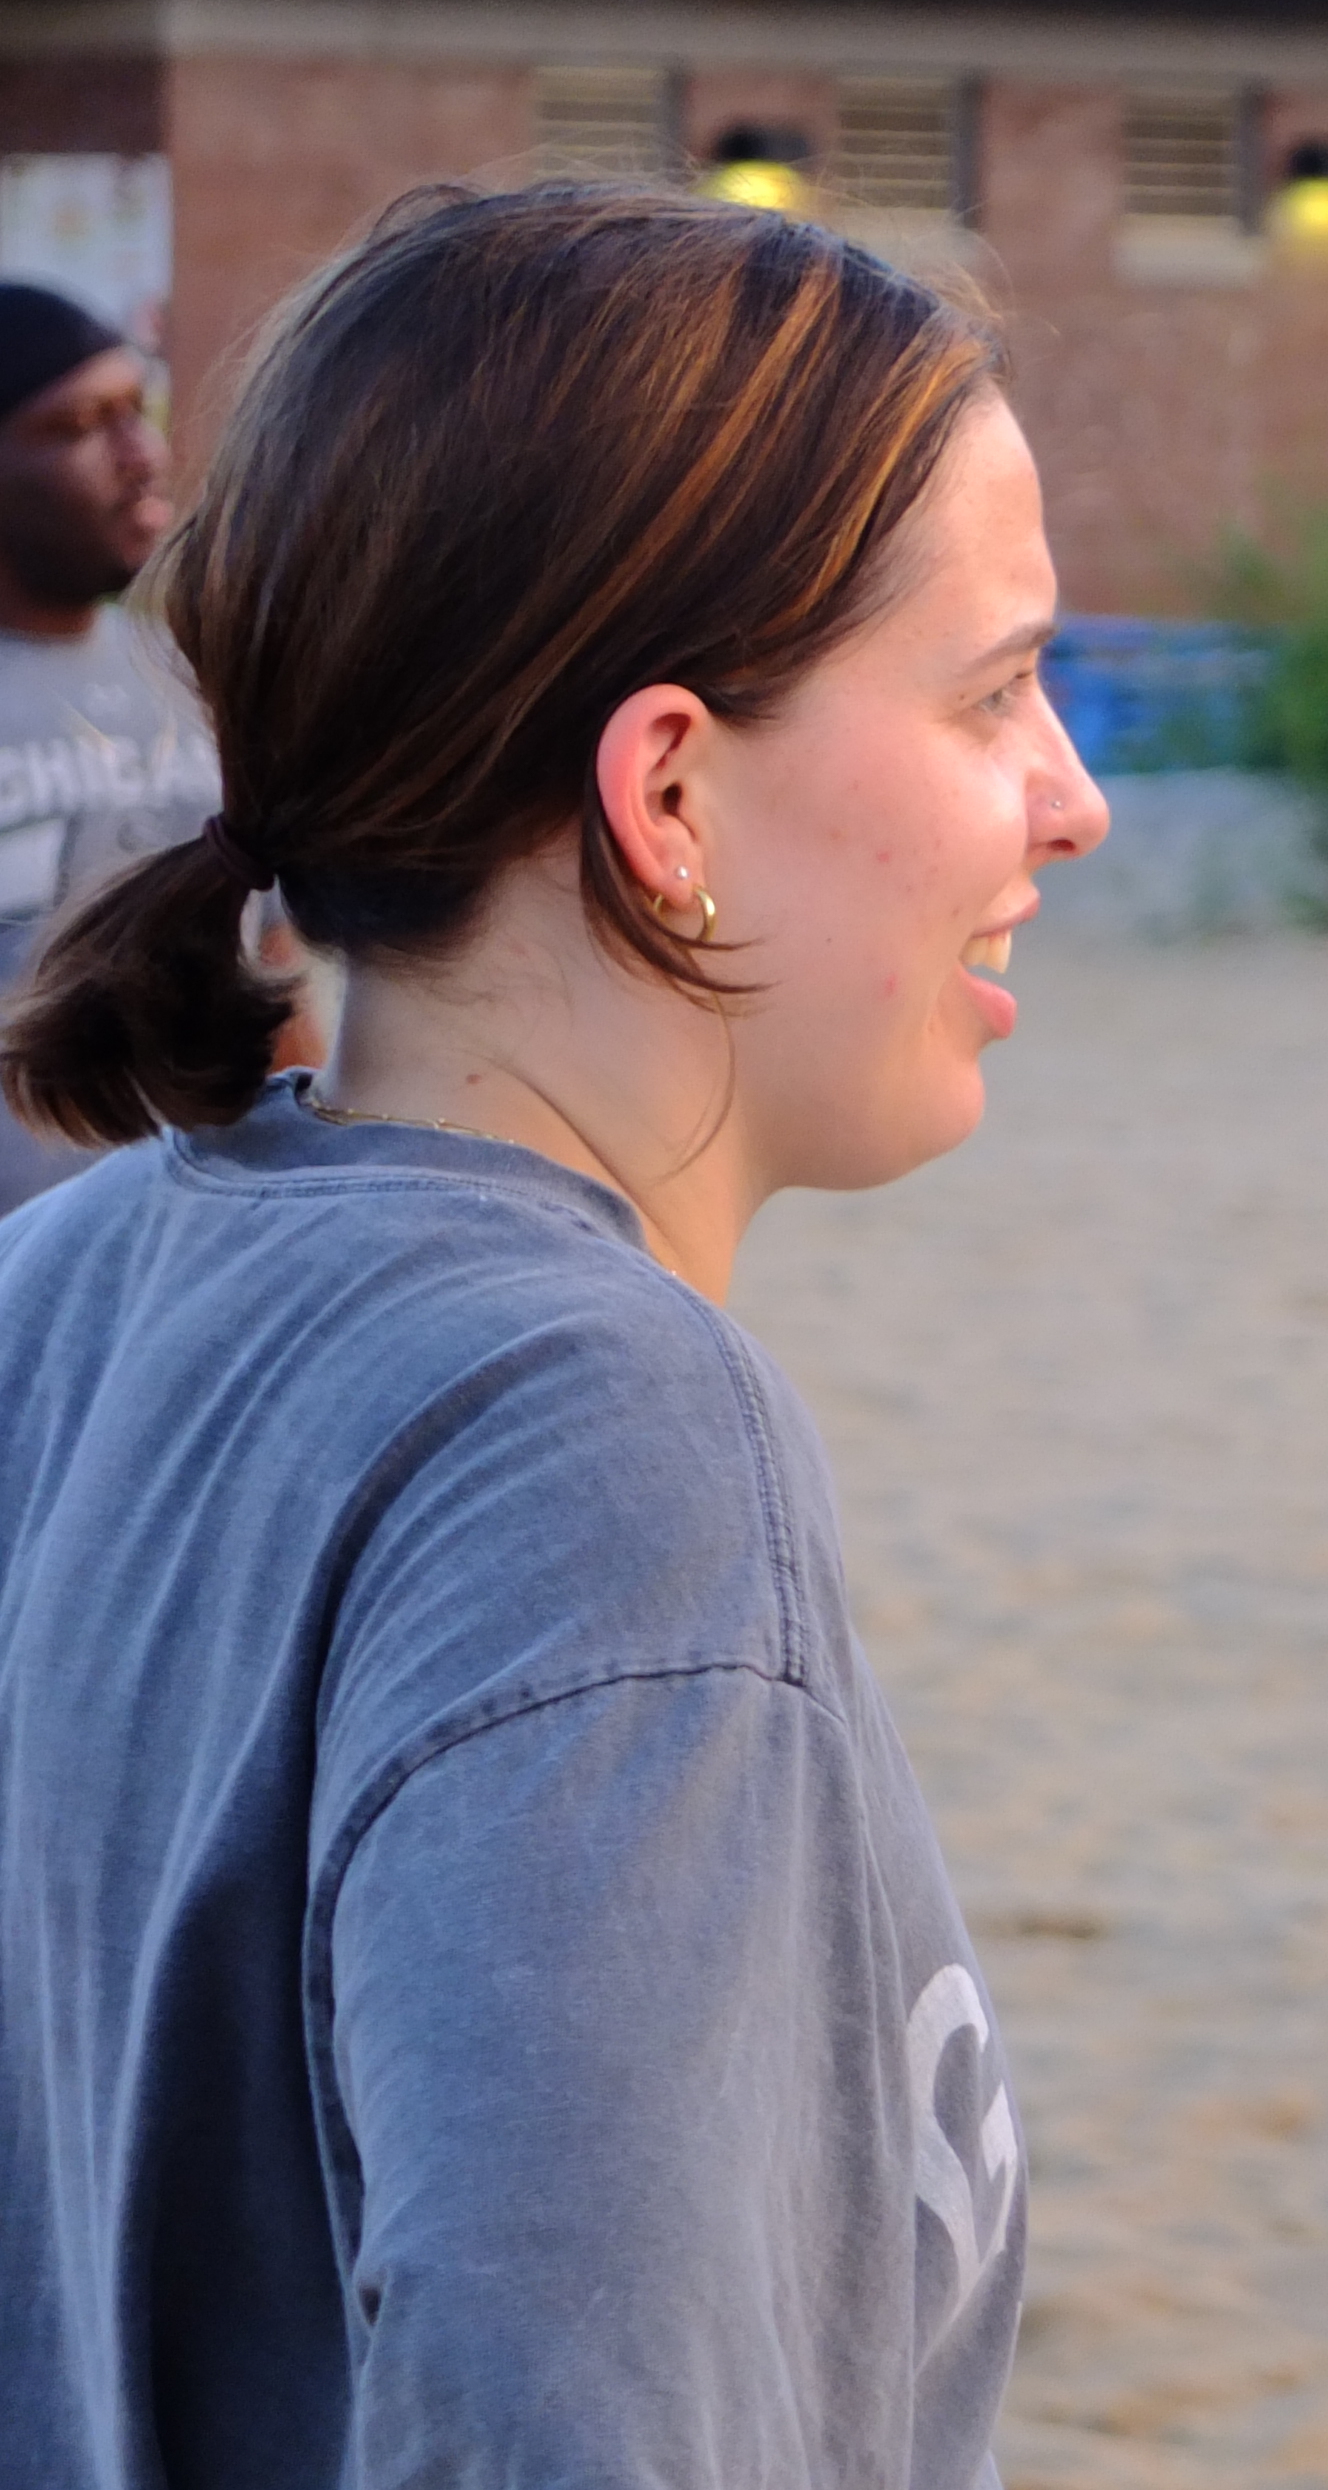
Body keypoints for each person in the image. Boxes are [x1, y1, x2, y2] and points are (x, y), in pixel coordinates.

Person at [0, 185, 1108, 2485]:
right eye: (994, 687)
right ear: (670, 791)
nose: (1070, 796)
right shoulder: (588, 1439)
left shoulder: (77, 1282)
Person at [0, 280, 220, 1216]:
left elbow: (273, 968)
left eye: (139, 411)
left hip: (197, 1252)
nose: (141, 456)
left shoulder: (188, 674)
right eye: (81, 425)